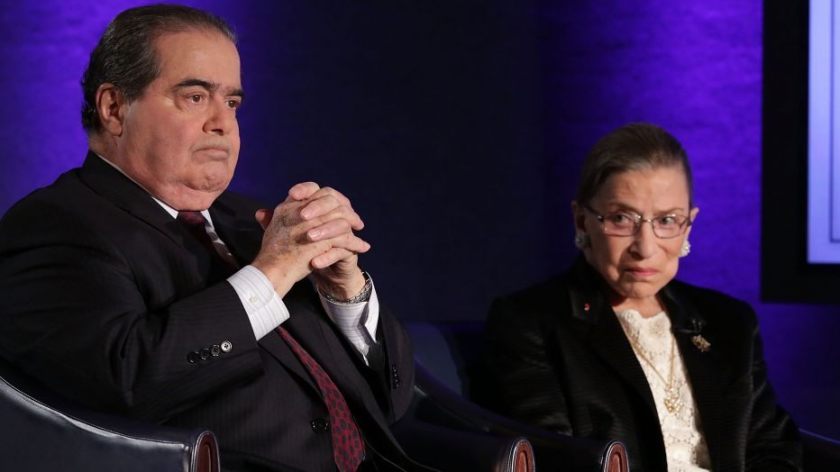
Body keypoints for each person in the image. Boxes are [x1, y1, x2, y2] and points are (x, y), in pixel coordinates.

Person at [0, 5, 424, 471]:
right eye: (196, 97)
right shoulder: (55, 226)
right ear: (114, 108)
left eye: (233, 103)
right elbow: (123, 383)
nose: (222, 122)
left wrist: (346, 295)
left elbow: (392, 402)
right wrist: (272, 272)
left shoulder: (248, 220)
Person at [483, 123, 802, 471]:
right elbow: (555, 457)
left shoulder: (729, 322)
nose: (645, 248)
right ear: (581, 221)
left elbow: (772, 448)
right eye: (621, 218)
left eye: (667, 220)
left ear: (688, 226)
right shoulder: (531, 321)